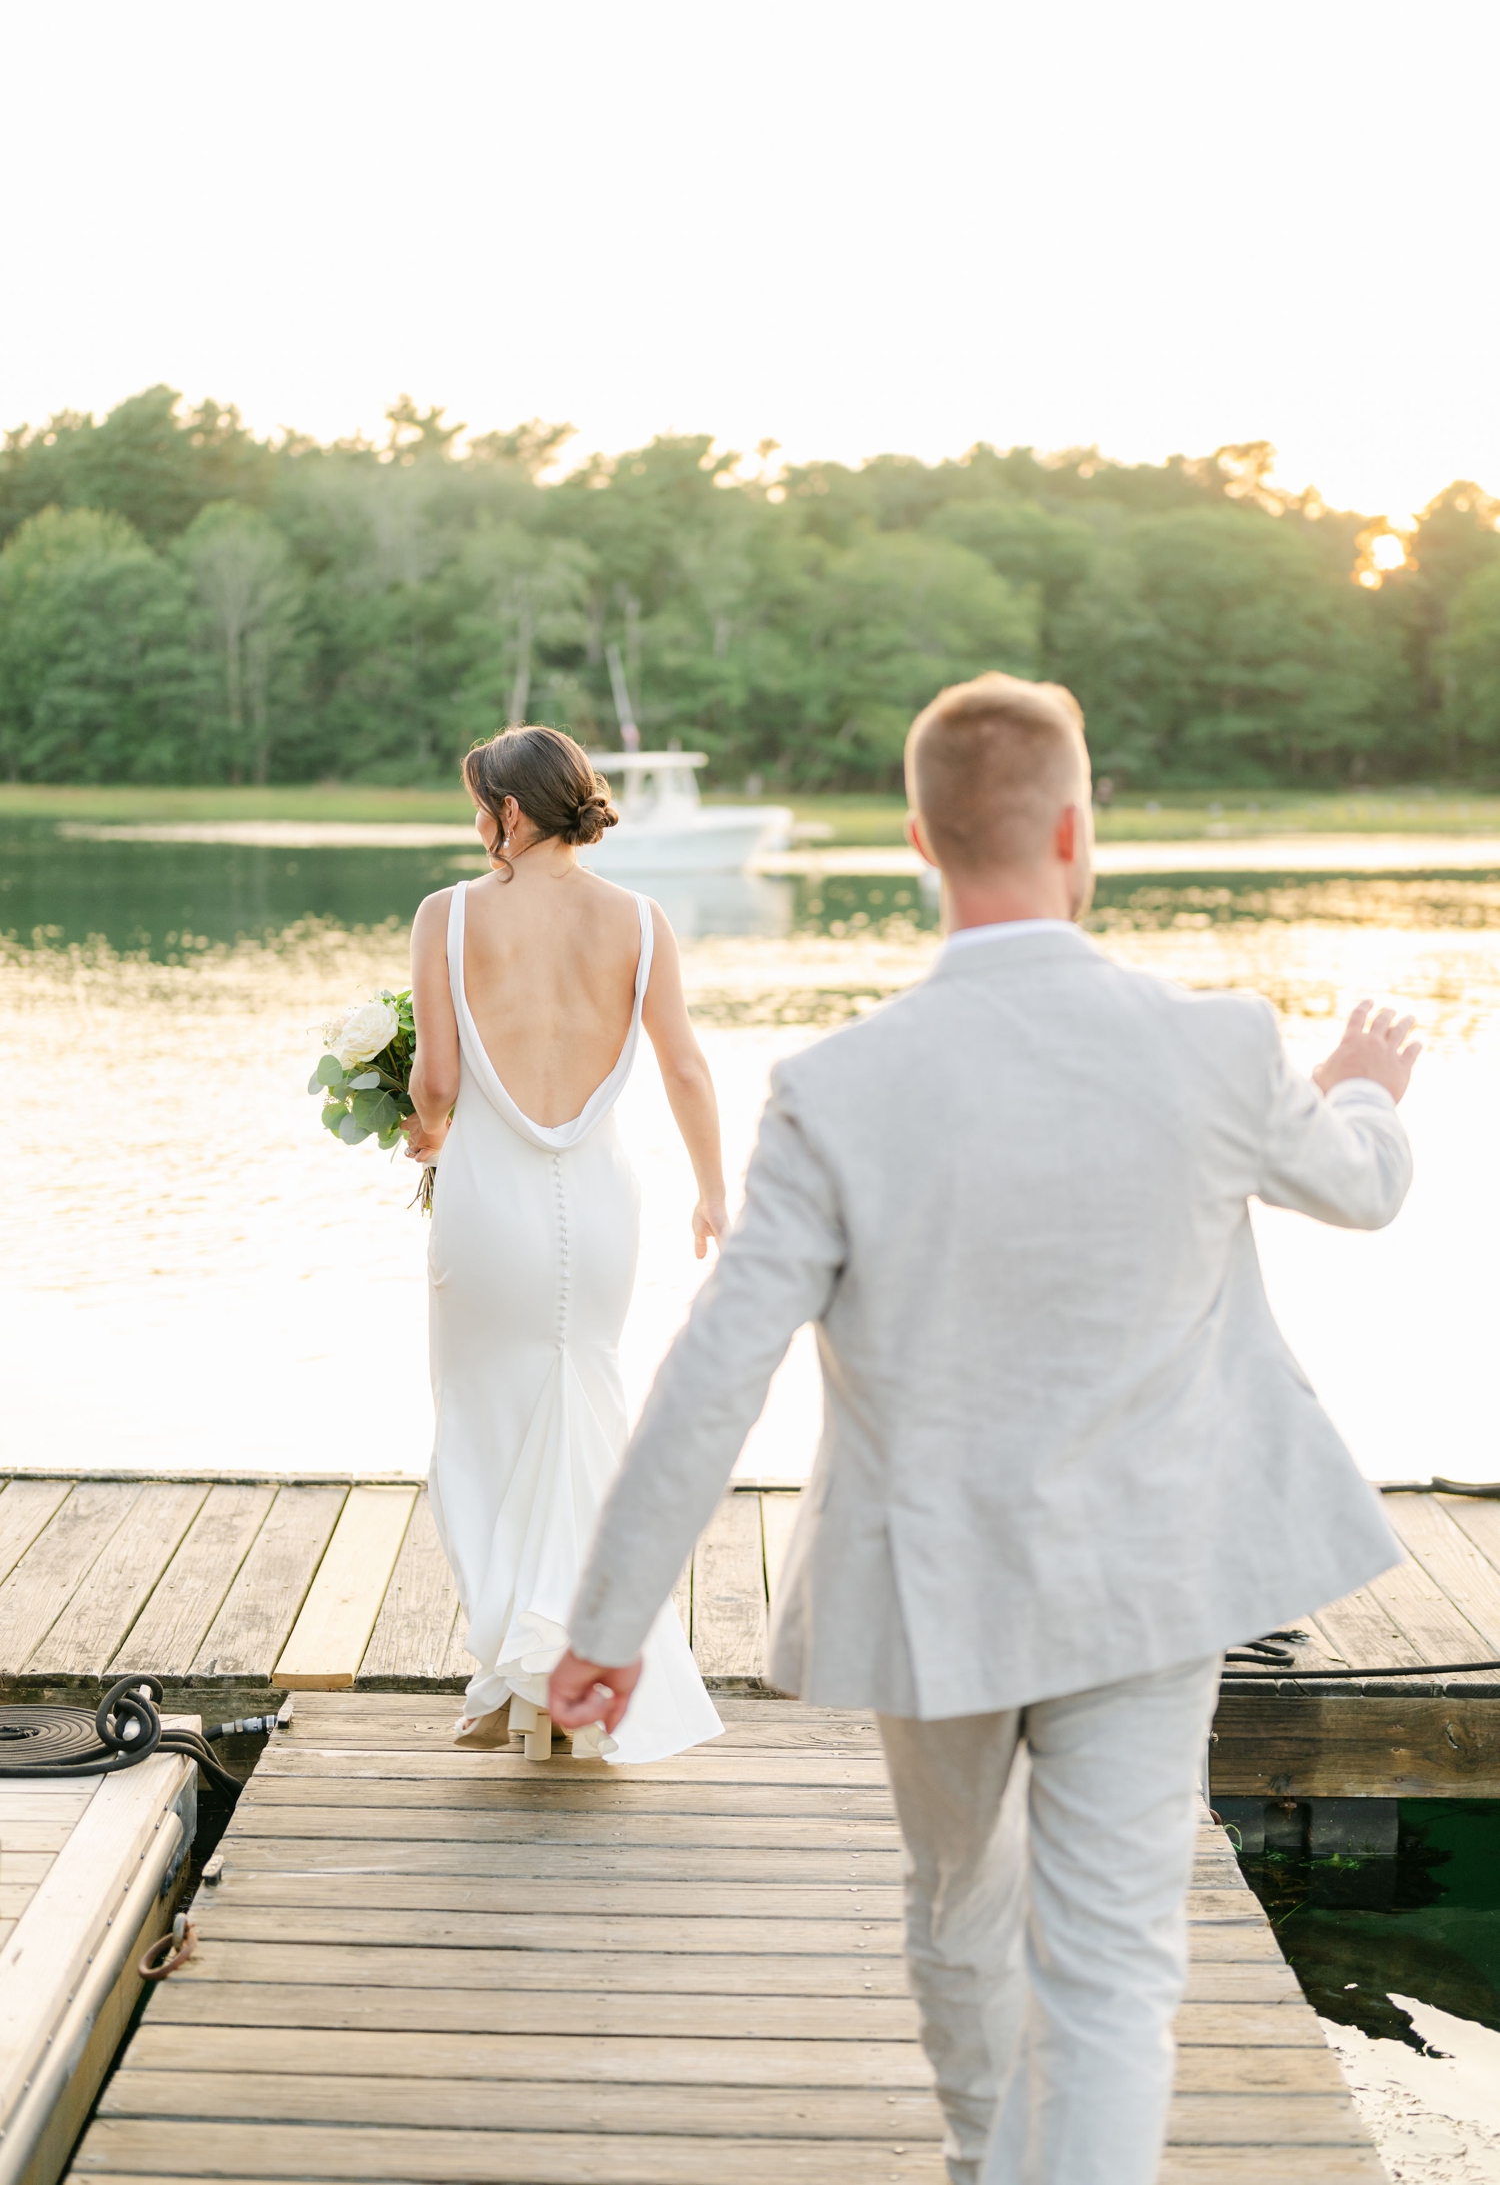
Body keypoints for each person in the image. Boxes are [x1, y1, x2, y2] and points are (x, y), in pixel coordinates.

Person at [550, 675, 1419, 2181]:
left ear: (919, 842)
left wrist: (613, 1618)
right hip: (1148, 1581)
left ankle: (980, 2159)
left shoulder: (837, 1085)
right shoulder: (1216, 1041)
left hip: (931, 1583)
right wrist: (1363, 1092)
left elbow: (717, 1366)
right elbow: (1361, 1185)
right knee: (1111, 1972)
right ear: (1080, 831)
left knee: (954, 1902)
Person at [403, 724, 725, 1763]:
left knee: (485, 1430)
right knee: (583, 1408)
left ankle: (512, 1667)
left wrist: (419, 1133)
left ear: (508, 812)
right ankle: (563, 1678)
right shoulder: (639, 919)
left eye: (479, 808)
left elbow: (441, 1089)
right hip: (599, 1204)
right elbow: (684, 1069)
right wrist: (714, 1193)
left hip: (490, 1203)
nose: (478, 828)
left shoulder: (448, 917)